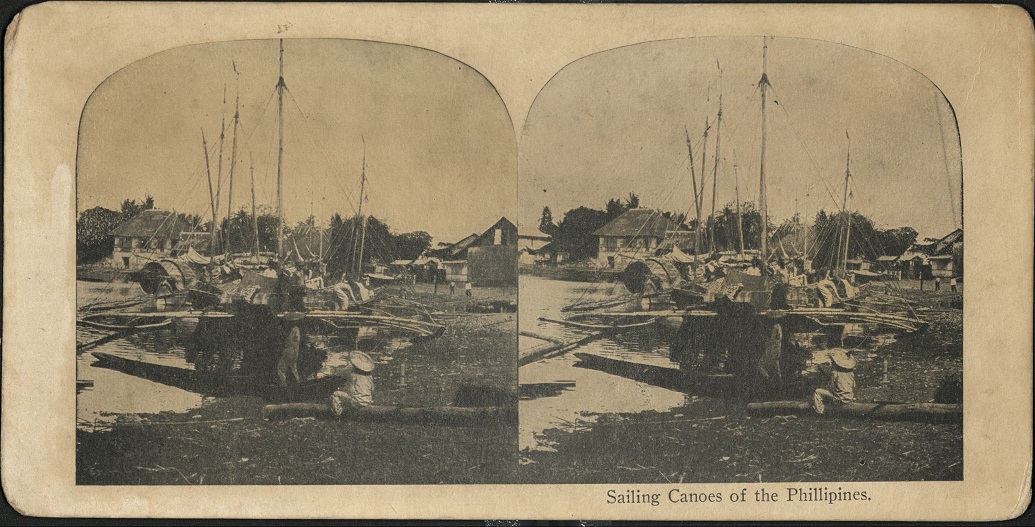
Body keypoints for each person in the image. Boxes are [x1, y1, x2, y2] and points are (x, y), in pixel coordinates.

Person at [329, 351, 375, 416]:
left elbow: (351, 389)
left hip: (356, 402)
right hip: (367, 401)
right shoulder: (369, 377)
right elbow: (372, 390)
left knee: (335, 394)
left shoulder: (353, 376)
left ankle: (338, 413)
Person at [812, 349, 856, 415]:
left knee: (817, 391)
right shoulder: (851, 373)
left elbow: (831, 388)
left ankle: (819, 411)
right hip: (849, 398)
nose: (832, 363)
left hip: (839, 400)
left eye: (833, 362)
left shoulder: (834, 373)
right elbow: (854, 386)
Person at [276, 312, 305, 388]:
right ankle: (298, 383)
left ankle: (284, 384)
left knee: (281, 369)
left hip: (289, 351)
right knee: (294, 368)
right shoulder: (296, 329)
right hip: (295, 351)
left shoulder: (293, 330)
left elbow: (290, 341)